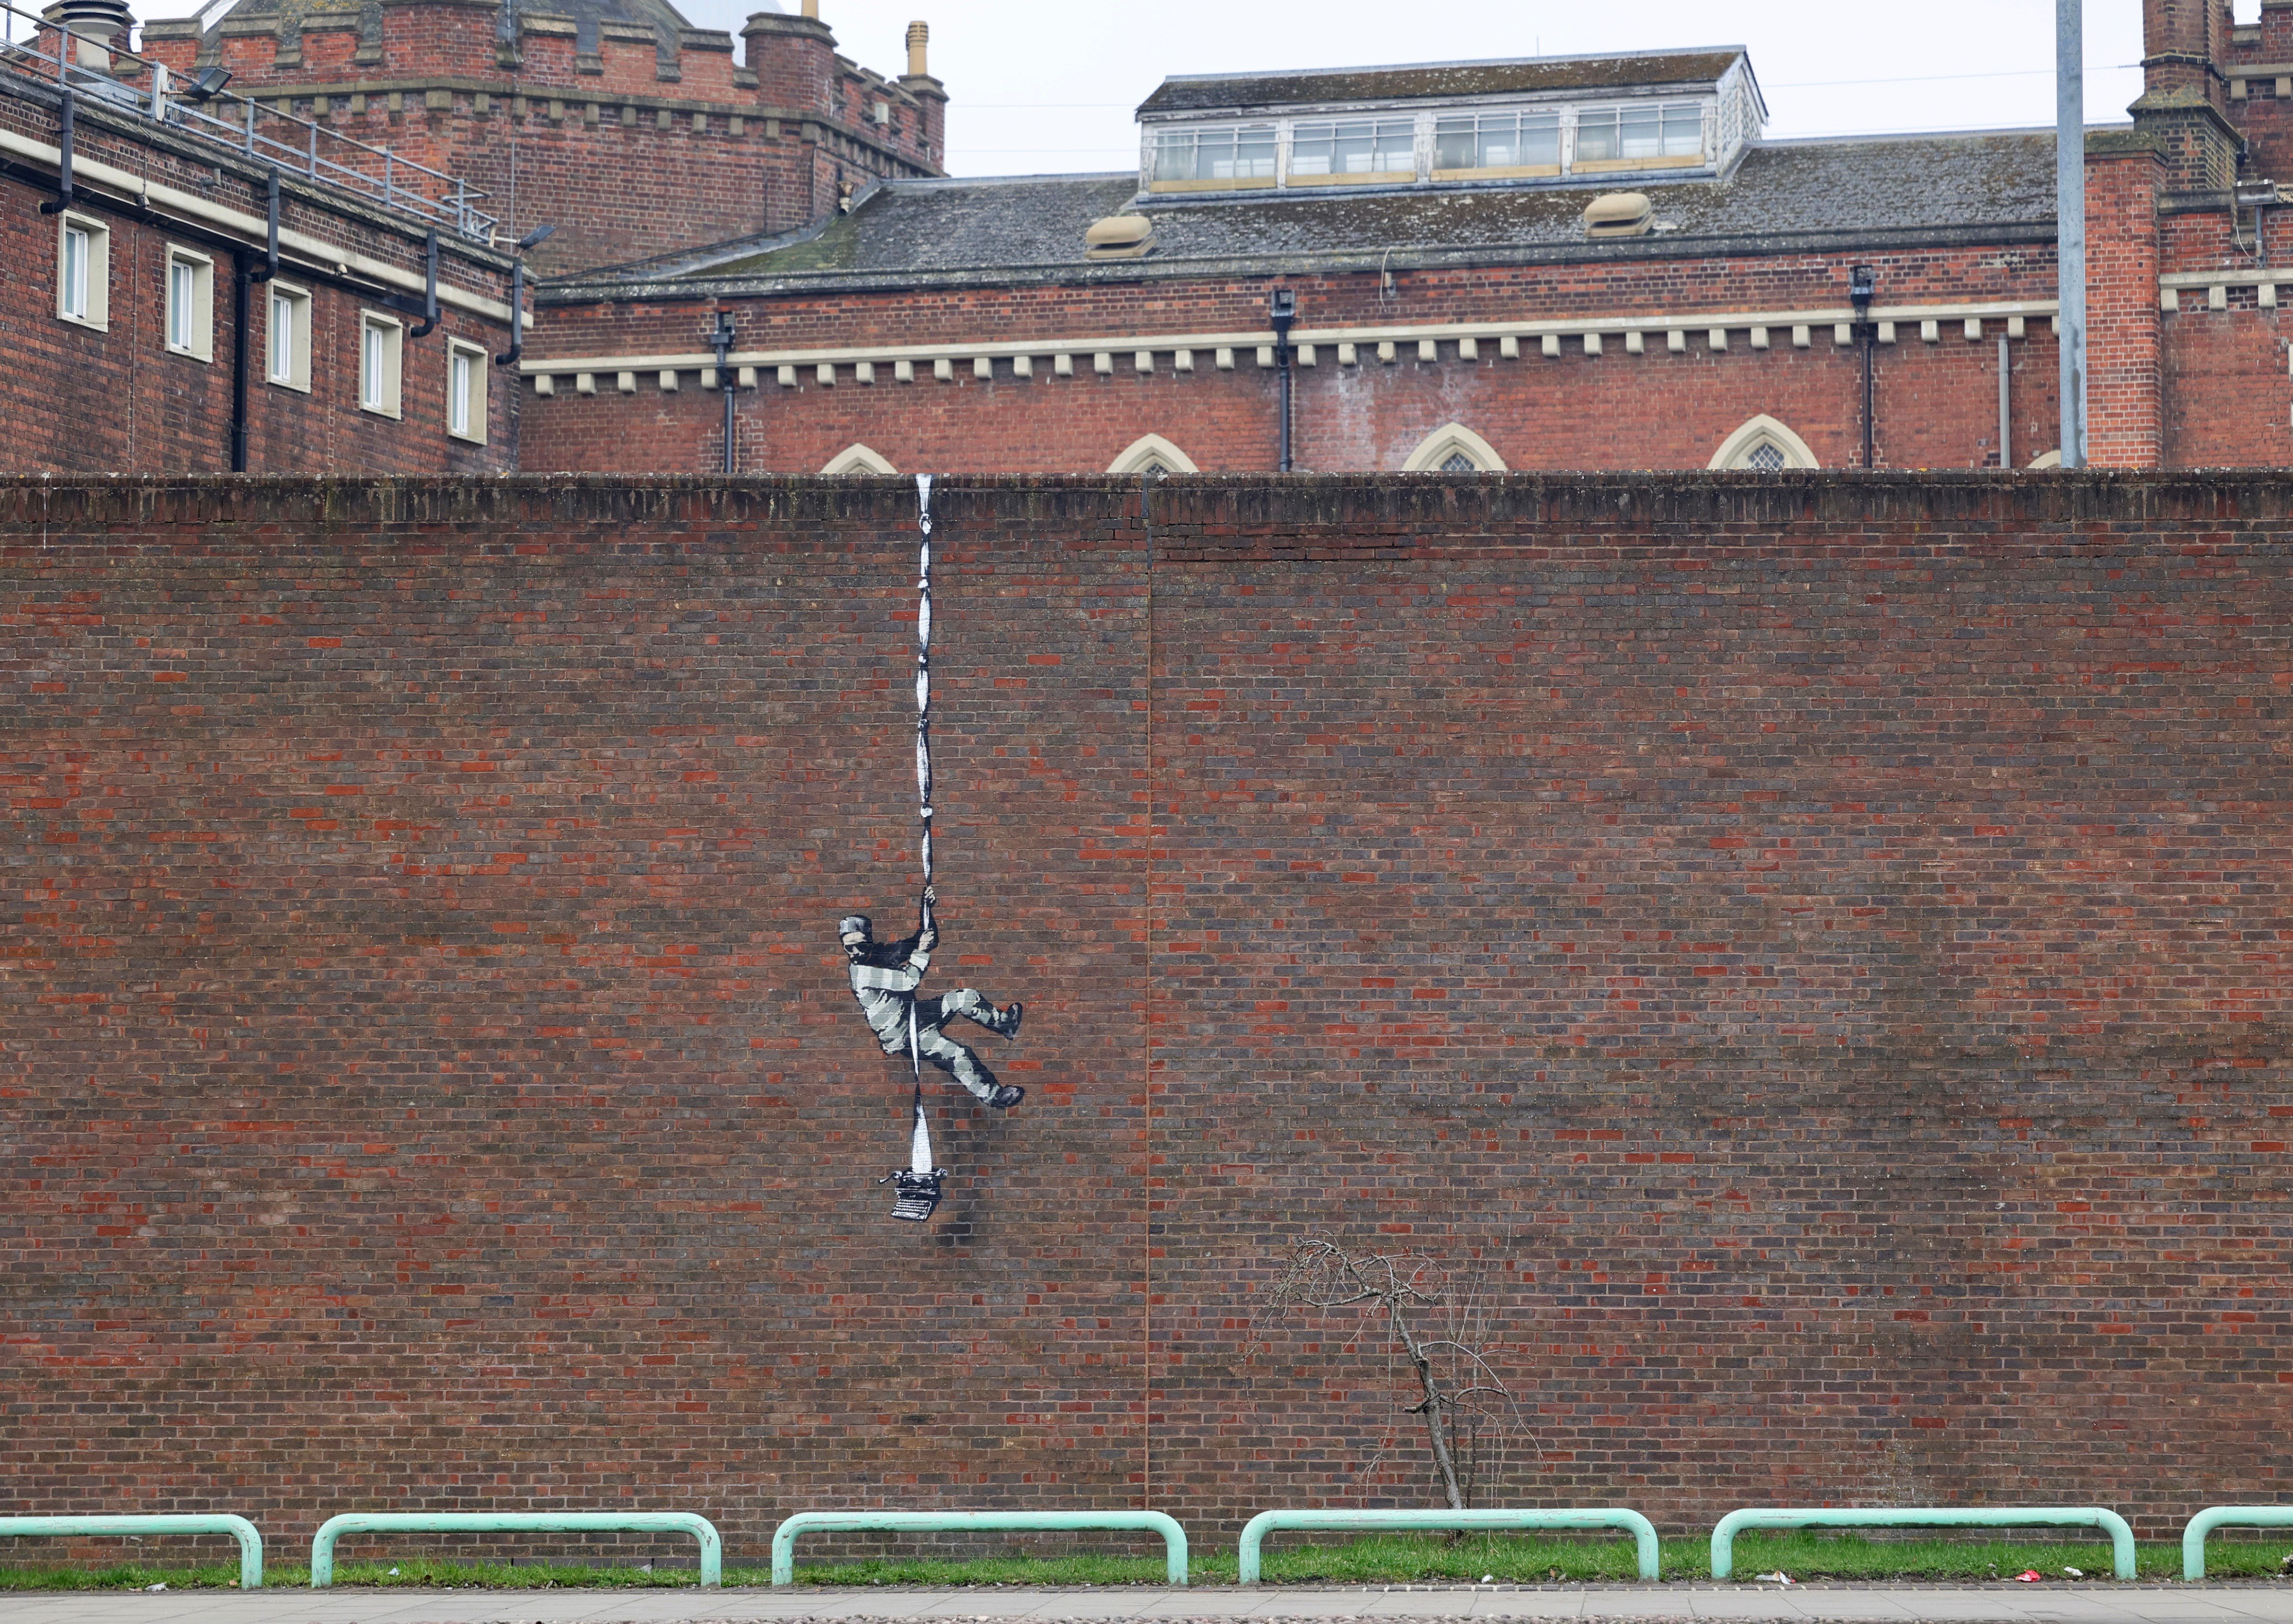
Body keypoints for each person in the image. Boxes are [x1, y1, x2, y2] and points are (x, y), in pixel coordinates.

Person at [839, 884, 1024, 1108]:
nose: (856, 953)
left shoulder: (878, 954)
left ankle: (1006, 1025)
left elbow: (927, 939)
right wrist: (921, 951)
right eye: (850, 948)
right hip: (904, 1035)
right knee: (958, 1055)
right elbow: (909, 981)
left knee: (966, 998)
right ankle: (995, 1097)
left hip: (915, 1015)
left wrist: (926, 910)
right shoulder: (862, 973)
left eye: (861, 946)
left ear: (869, 941)